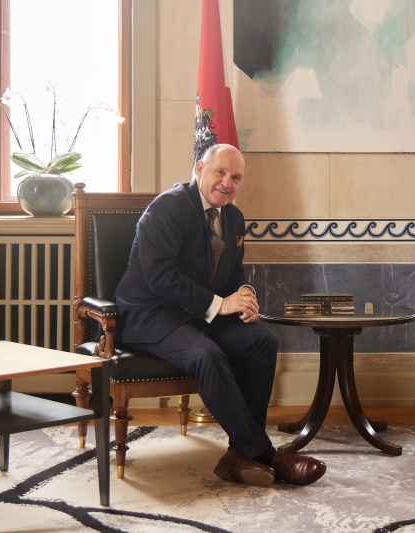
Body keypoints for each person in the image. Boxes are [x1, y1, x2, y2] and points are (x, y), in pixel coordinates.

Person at [113, 143, 326, 487]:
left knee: (262, 340)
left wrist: (245, 295)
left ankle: (238, 456)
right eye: (220, 172)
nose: (228, 183)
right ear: (199, 170)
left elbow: (233, 275)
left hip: (196, 314)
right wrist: (219, 305)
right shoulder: (168, 207)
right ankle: (265, 454)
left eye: (236, 177)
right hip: (151, 314)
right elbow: (160, 277)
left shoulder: (233, 217)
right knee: (207, 355)